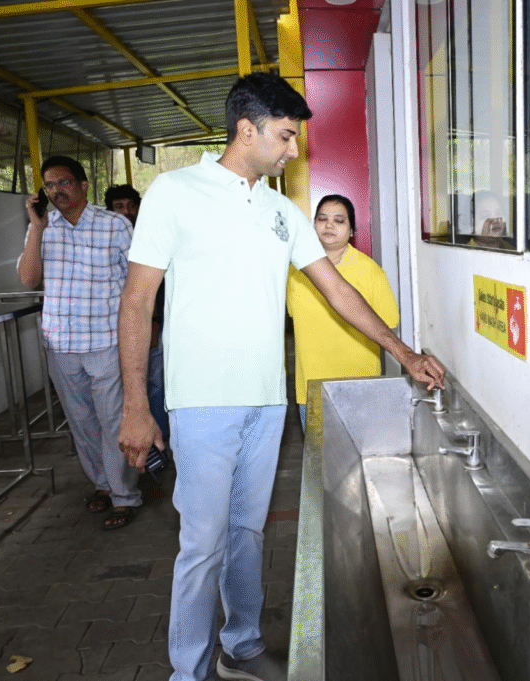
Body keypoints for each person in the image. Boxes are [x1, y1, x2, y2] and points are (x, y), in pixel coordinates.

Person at [117, 73, 445, 681]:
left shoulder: (281, 212)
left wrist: (403, 352)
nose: (294, 150)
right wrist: (136, 403)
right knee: (203, 545)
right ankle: (188, 671)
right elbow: (137, 302)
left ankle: (240, 647)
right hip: (202, 402)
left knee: (246, 534)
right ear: (248, 130)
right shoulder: (174, 192)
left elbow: (338, 290)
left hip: (267, 402)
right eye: (287, 136)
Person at [17, 156, 142, 530]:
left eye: (64, 182)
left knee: (112, 420)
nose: (56, 190)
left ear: (84, 185)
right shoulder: (43, 227)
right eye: (50, 185)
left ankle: (124, 495)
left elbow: (136, 284)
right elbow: (29, 280)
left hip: (105, 340)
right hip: (60, 343)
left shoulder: (114, 225)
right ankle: (102, 484)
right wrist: (36, 228)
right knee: (82, 422)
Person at [287, 194, 400, 427]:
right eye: (322, 219)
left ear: (351, 231)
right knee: (318, 451)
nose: (329, 225)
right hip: (311, 387)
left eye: (339, 220)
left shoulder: (370, 272)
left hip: (360, 387)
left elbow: (388, 323)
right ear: (313, 226)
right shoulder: (295, 271)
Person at [105, 184, 169, 442]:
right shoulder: (104, 239)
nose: (127, 212)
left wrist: (153, 323)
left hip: (149, 325)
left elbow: (156, 290)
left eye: (132, 206)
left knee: (154, 385)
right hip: (109, 330)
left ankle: (157, 445)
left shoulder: (151, 236)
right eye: (119, 207)